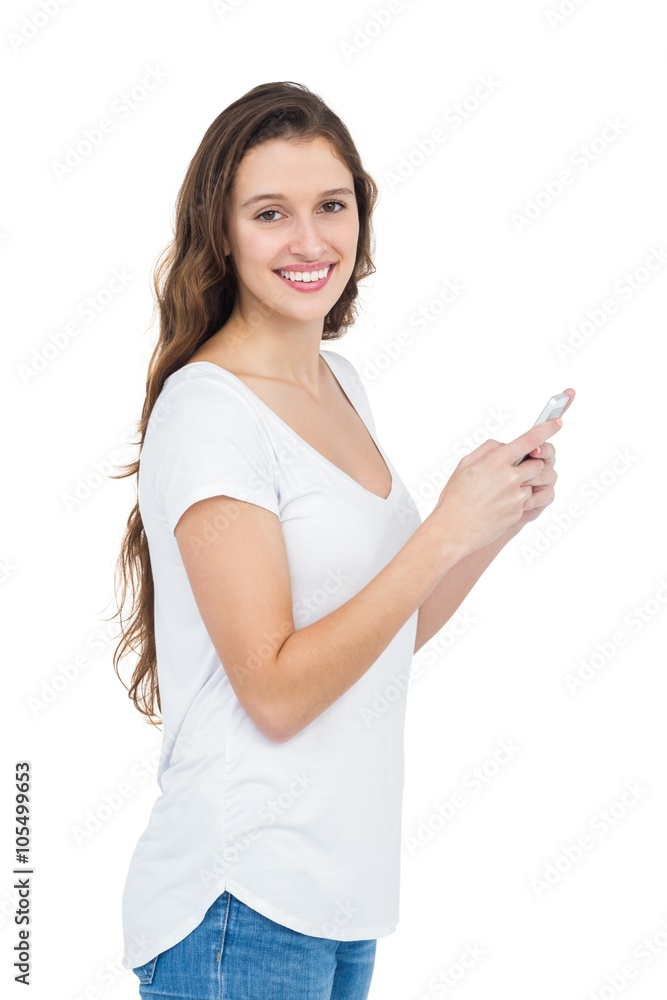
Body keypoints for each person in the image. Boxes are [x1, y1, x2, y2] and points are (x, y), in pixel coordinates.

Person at [108, 80, 566, 1000]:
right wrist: (443, 530)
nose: (310, 240)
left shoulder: (340, 382)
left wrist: (487, 526)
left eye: (331, 204)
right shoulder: (210, 414)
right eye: (269, 213)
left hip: (340, 901)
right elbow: (277, 694)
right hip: (239, 901)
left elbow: (379, 638)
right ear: (220, 232)